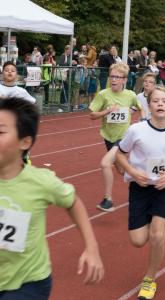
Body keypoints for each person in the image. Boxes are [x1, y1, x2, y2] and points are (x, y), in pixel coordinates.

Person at [0, 98, 104, 300]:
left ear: (25, 142)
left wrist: (91, 248)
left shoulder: (41, 182)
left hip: (28, 282)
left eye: (0, 132)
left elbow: (73, 202)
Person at [116, 86, 165, 300]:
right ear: (149, 105)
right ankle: (153, 225)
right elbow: (120, 155)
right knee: (138, 240)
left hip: (164, 189)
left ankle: (149, 279)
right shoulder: (136, 130)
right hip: (140, 188)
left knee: (157, 236)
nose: (159, 104)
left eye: (164, 101)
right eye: (155, 101)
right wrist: (132, 171)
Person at [89, 63, 145, 212]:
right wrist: (106, 112)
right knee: (122, 170)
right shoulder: (103, 94)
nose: (113, 80)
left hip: (124, 137)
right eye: (112, 76)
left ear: (124, 80)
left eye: (117, 77)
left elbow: (141, 108)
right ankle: (144, 181)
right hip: (108, 137)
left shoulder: (130, 95)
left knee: (105, 163)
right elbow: (92, 115)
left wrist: (144, 121)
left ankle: (108, 199)